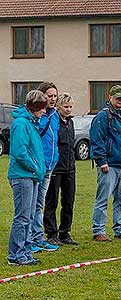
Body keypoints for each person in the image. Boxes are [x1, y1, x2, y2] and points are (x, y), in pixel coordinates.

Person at [90, 85, 121, 242]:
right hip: (109, 165)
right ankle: (98, 230)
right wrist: (102, 161)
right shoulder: (103, 117)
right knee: (103, 198)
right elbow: (97, 140)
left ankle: (120, 228)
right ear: (110, 98)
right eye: (118, 98)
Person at [7, 90, 47, 265]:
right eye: (43, 108)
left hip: (32, 176)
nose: (45, 111)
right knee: (22, 216)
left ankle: (25, 251)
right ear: (35, 107)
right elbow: (19, 152)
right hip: (23, 176)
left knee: (29, 216)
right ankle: (15, 255)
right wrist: (35, 168)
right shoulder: (22, 124)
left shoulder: (31, 123)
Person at [43, 93, 78, 245]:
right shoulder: (53, 121)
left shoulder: (70, 122)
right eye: (66, 107)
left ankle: (65, 232)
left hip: (70, 167)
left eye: (70, 107)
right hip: (56, 167)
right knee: (52, 201)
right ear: (58, 107)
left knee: (69, 201)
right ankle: (51, 233)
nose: (68, 109)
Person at [31, 82, 60, 252]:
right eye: (49, 95)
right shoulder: (36, 116)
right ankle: (32, 238)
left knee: (39, 203)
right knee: (33, 204)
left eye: (55, 96)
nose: (52, 99)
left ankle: (37, 237)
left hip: (49, 166)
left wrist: (54, 159)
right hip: (37, 165)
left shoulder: (54, 115)